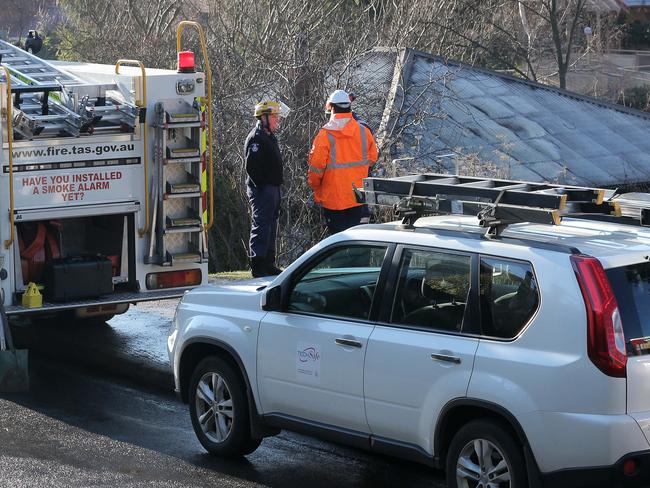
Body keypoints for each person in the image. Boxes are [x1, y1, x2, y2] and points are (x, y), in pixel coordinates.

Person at [308, 89, 378, 234]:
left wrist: (316, 188)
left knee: (338, 242)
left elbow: (316, 169)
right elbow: (372, 158)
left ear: (331, 108)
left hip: (333, 200)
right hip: (357, 197)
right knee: (356, 240)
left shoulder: (325, 135)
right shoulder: (363, 131)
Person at [245, 100, 290, 277]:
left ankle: (268, 263)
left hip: (272, 188)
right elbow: (253, 168)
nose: (277, 121)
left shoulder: (269, 136)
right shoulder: (256, 138)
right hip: (262, 189)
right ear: (263, 118)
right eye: (274, 117)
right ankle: (258, 264)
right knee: (261, 225)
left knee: (271, 224)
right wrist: (263, 187)